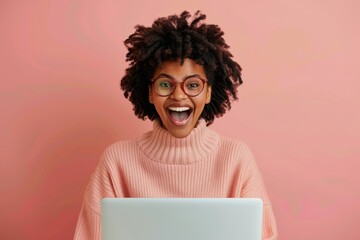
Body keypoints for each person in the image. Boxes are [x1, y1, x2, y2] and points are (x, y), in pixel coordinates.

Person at [74, 10, 278, 240]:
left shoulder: (236, 159)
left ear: (209, 92)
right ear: (150, 92)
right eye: (165, 84)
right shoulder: (116, 162)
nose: (179, 96)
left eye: (192, 85)